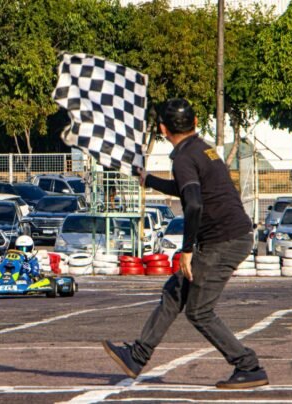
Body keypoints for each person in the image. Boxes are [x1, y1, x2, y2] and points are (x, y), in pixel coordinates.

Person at [102, 98, 268, 389]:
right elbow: (188, 189)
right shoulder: (201, 149)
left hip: (223, 241)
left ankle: (248, 366)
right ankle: (137, 357)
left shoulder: (183, 158)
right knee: (173, 293)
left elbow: (193, 204)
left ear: (163, 129)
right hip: (230, 235)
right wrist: (148, 180)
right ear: (194, 123)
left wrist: (186, 251)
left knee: (199, 311)